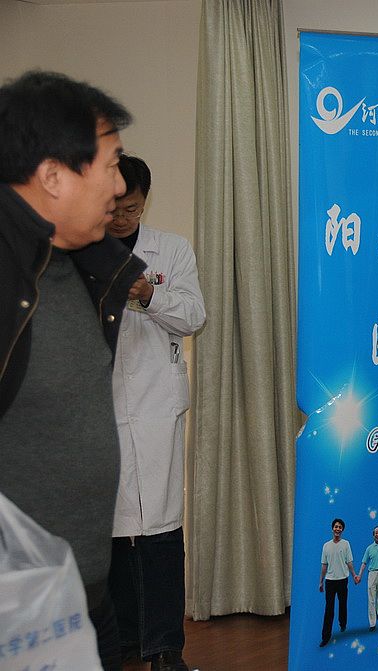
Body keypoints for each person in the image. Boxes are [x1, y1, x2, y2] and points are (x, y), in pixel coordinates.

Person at [0, 70, 146, 671]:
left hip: (84, 595)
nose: (121, 184)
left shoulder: (86, 266)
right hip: (18, 616)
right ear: (53, 176)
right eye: (111, 165)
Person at [105, 154, 206, 671]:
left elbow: (194, 316)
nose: (123, 218)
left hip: (156, 411)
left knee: (161, 532)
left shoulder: (171, 249)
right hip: (101, 410)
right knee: (112, 535)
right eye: (115, 208)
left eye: (133, 209)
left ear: (145, 202)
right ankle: (122, 642)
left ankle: (166, 649)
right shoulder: (77, 250)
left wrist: (150, 295)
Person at [318, 518, 358, 647]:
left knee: (342, 604)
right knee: (329, 609)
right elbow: (324, 565)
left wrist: (354, 575)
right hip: (330, 581)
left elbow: (349, 562)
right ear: (332, 528)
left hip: (342, 580)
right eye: (336, 526)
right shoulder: (326, 546)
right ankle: (325, 636)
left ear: (342, 530)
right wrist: (321, 582)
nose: (337, 529)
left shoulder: (346, 544)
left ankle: (342, 623)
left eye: (340, 527)